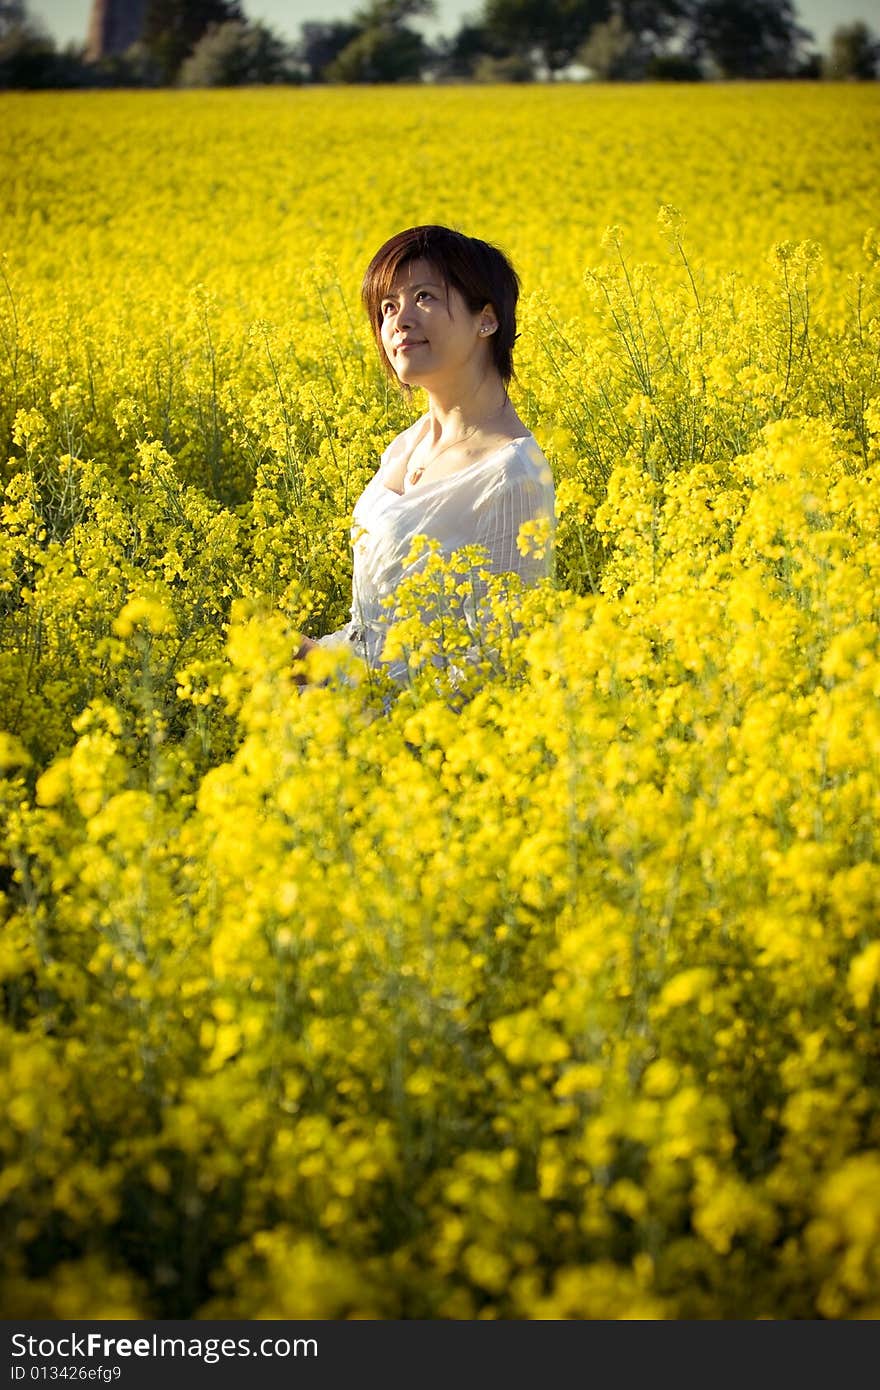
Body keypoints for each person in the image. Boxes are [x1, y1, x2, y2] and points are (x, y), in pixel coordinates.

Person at [295, 224, 555, 691]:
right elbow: (372, 632)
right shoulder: (406, 444)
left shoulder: (513, 475)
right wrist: (316, 661)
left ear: (487, 319)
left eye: (425, 297)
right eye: (387, 307)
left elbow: (501, 666)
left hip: (414, 741)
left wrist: (351, 696)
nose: (399, 320)